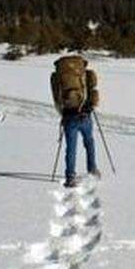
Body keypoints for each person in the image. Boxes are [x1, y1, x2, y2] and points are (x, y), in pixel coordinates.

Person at [51, 54, 101, 187]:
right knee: (89, 142)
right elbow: (93, 91)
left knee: (71, 148)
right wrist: (91, 106)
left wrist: (63, 113)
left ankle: (70, 177)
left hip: (69, 117)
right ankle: (92, 169)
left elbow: (56, 99)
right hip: (85, 115)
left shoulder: (57, 76)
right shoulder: (85, 73)